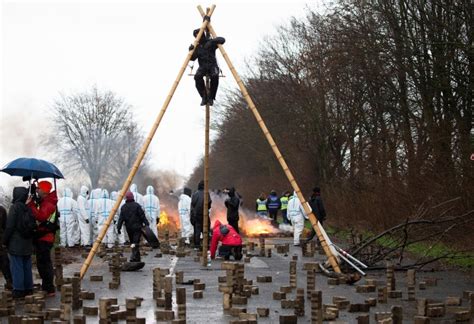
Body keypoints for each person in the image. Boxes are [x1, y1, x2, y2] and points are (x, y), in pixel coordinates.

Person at [27, 181, 58, 296]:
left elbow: (41, 216)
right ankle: (47, 286)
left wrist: (31, 205)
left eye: (38, 188)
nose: (37, 190)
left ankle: (49, 288)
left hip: (45, 237)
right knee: (44, 262)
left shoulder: (48, 204)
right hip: (45, 236)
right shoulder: (47, 201)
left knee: (44, 263)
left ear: (44, 191)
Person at [3, 187, 34, 298]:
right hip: (27, 243)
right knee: (27, 265)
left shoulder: (14, 208)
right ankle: (28, 288)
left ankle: (19, 290)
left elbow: (10, 226)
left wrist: (4, 241)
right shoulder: (28, 208)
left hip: (16, 243)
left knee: (17, 266)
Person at [189, 27, 225, 106]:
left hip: (212, 65)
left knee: (215, 76)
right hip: (203, 66)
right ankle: (204, 97)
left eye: (198, 34)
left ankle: (211, 97)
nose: (197, 36)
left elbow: (222, 40)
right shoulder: (197, 46)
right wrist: (191, 50)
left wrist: (213, 41)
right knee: (197, 77)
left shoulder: (210, 42)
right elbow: (192, 58)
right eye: (196, 35)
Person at [117, 192, 149, 262]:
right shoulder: (137, 205)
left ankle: (137, 258)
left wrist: (118, 228)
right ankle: (133, 257)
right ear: (133, 197)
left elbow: (121, 219)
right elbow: (142, 215)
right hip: (137, 227)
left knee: (133, 243)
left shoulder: (123, 207)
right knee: (135, 242)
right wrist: (146, 224)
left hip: (129, 228)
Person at [190, 180, 212, 249]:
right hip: (204, 215)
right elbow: (209, 204)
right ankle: (206, 245)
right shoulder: (206, 193)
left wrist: (192, 215)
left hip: (196, 215)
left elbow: (192, 205)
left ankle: (197, 245)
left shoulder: (194, 194)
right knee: (206, 230)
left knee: (197, 230)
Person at [0, 205, 12, 290]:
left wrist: (5, 241)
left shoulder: (2, 210)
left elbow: (5, 227)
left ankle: (10, 282)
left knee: (4, 262)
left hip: (1, 242)